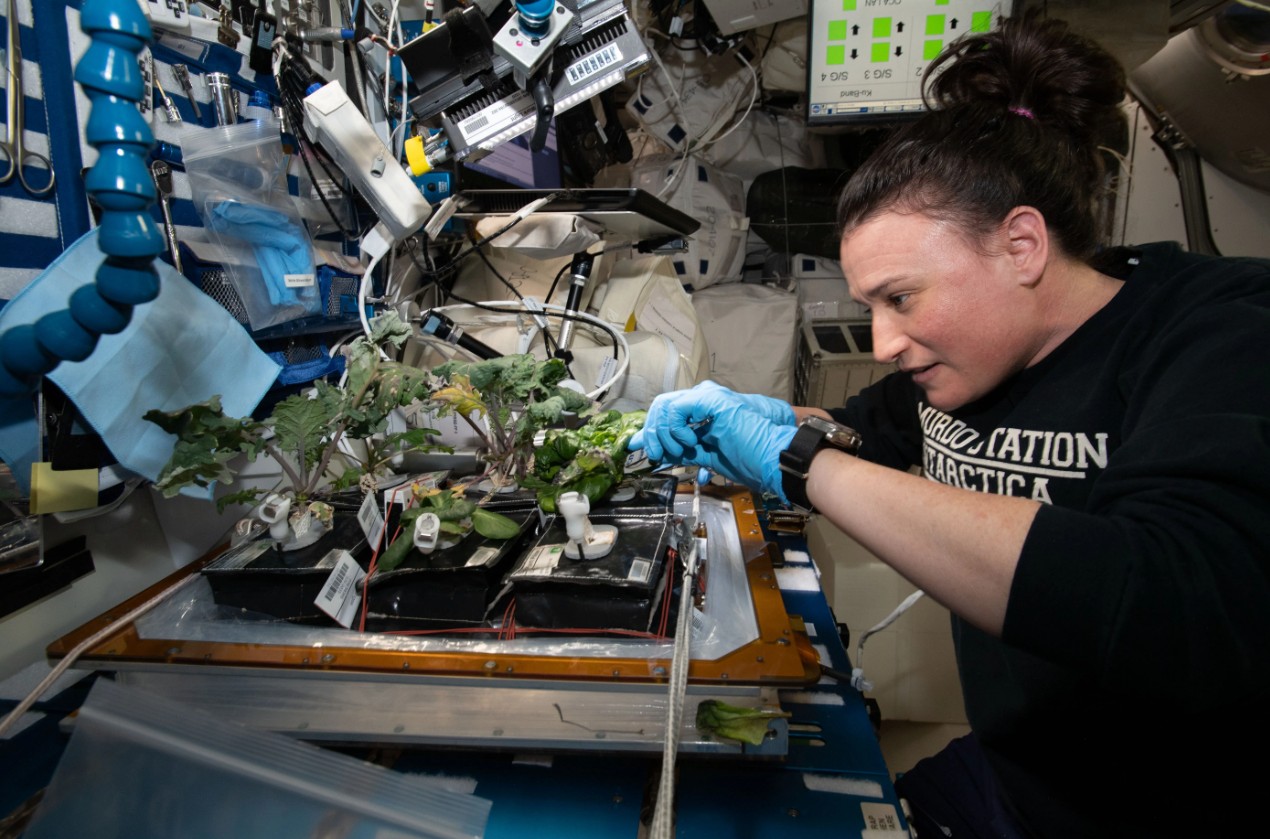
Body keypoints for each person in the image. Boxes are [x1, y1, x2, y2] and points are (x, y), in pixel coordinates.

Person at [628, 11, 1270, 838]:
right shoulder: (960, 372)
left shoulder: (1220, 331)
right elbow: (862, 434)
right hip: (1013, 776)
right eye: (870, 309)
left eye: (901, 298)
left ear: (1022, 246)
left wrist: (800, 458)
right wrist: (754, 419)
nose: (886, 342)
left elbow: (1171, 597)